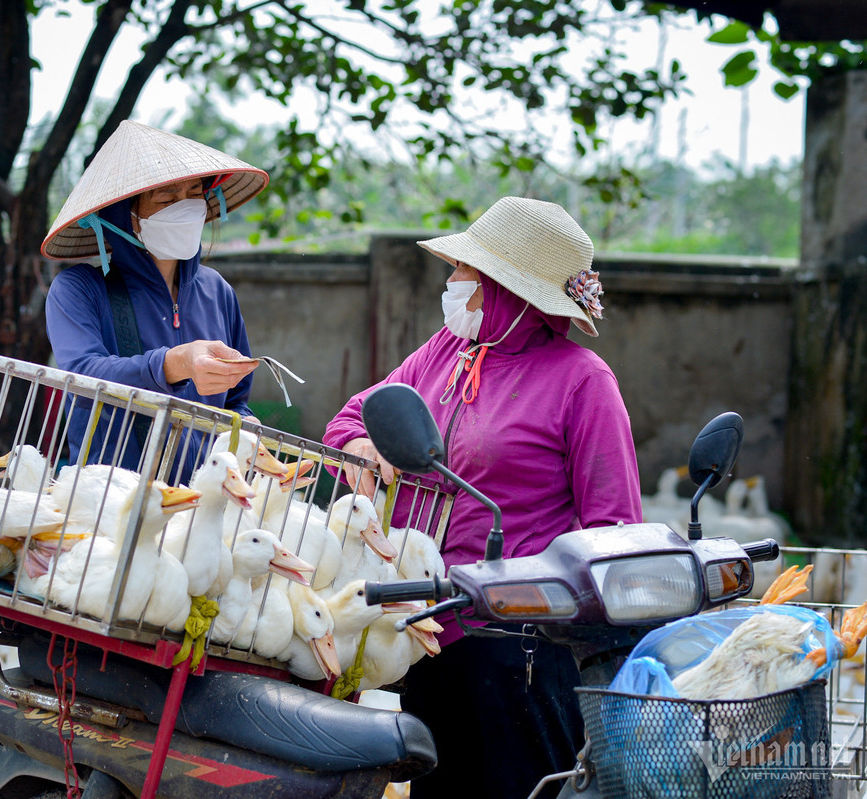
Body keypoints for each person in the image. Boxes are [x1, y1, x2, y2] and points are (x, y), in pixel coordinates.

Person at [323, 196, 642, 797]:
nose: (450, 283)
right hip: (420, 628)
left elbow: (615, 531)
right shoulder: (445, 352)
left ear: (503, 287)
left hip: (518, 648)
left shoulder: (584, 382)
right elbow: (354, 415)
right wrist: (364, 446)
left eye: (463, 272)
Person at [41, 120, 268, 475]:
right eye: (166, 198)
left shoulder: (217, 291)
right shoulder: (79, 289)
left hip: (198, 497)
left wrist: (245, 432)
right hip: (109, 495)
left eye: (195, 193)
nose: (188, 206)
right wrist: (175, 363)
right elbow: (83, 376)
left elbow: (236, 400)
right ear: (122, 215)